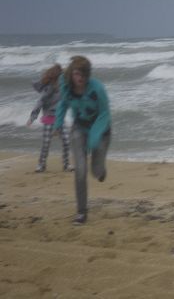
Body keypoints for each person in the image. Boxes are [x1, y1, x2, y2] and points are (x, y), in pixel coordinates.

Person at [54, 56, 111, 225]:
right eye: (77, 74)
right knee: (80, 169)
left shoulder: (97, 89)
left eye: (83, 75)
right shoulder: (67, 86)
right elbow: (63, 104)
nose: (80, 79)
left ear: (88, 75)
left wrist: (93, 139)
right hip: (79, 129)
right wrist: (58, 122)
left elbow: (104, 114)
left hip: (101, 130)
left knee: (95, 171)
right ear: (72, 73)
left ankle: (101, 171)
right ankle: (81, 212)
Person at [27, 64, 71, 172]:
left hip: (60, 119)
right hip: (49, 118)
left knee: (66, 141)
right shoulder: (47, 89)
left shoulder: (63, 87)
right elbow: (39, 103)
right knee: (46, 143)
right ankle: (41, 165)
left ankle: (66, 165)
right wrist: (32, 117)